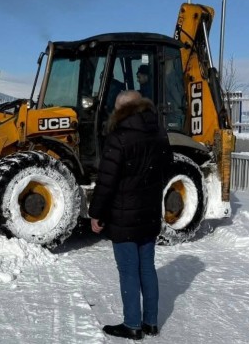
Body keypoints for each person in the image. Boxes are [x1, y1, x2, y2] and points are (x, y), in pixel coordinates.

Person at [90, 90, 173, 341]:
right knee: (147, 267)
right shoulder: (159, 132)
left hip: (123, 216)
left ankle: (132, 325)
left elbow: (106, 182)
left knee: (128, 270)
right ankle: (150, 323)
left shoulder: (119, 137)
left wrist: (96, 213)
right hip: (149, 213)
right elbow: (167, 170)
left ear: (121, 110)